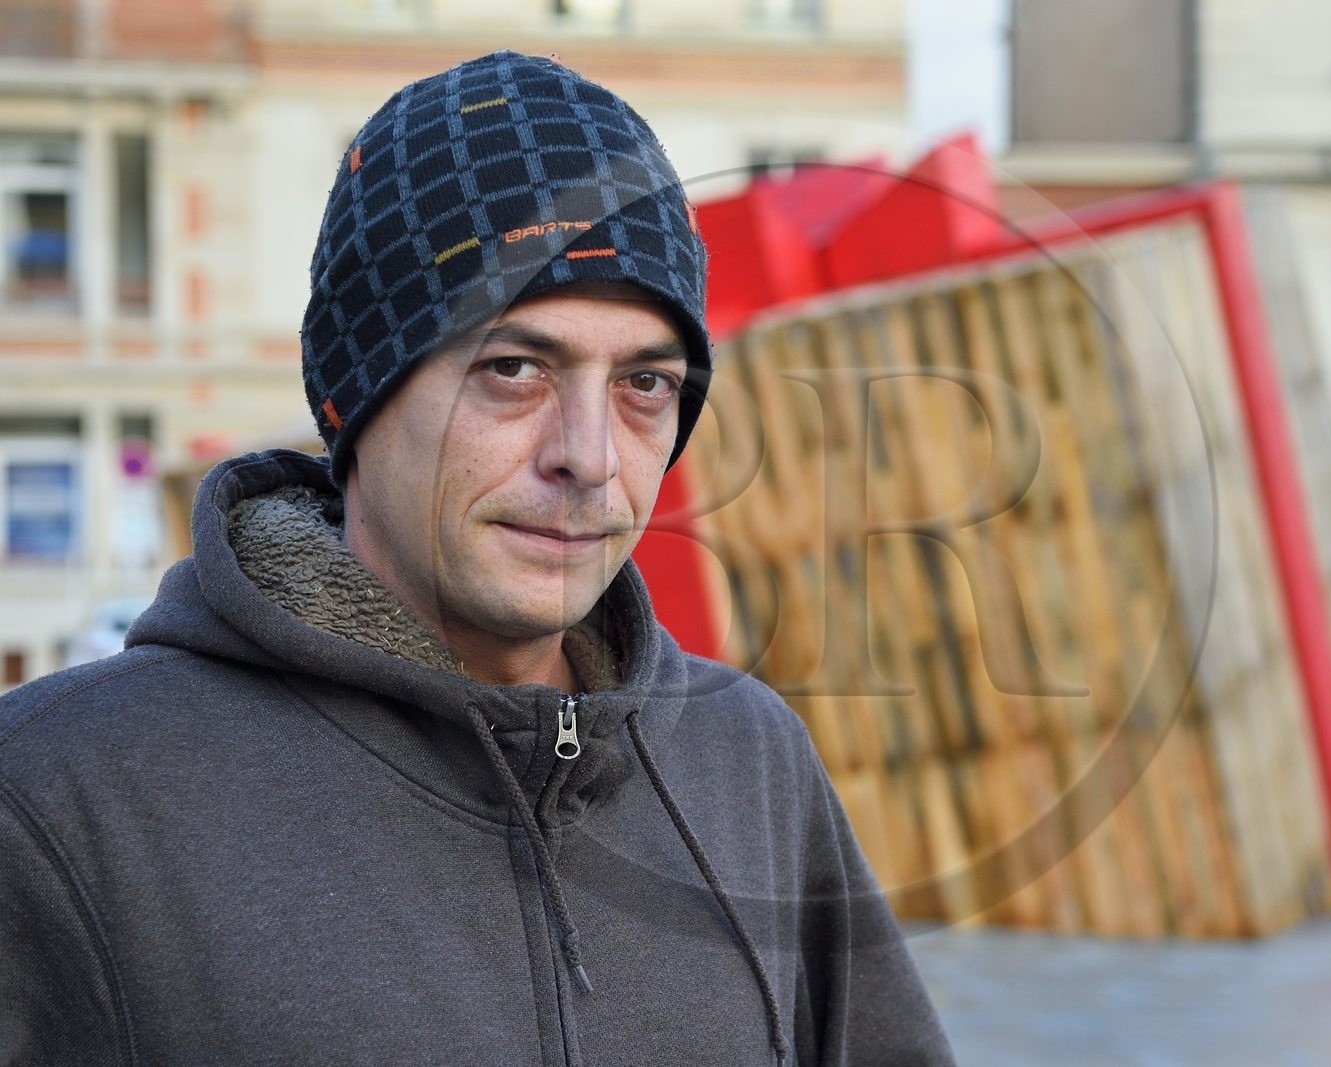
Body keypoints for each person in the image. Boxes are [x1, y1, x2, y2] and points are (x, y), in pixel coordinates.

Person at [0, 52, 955, 1065]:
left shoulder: (747, 758)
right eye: (513, 368)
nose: (588, 456)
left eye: (645, 383)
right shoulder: (61, 795)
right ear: (360, 397)